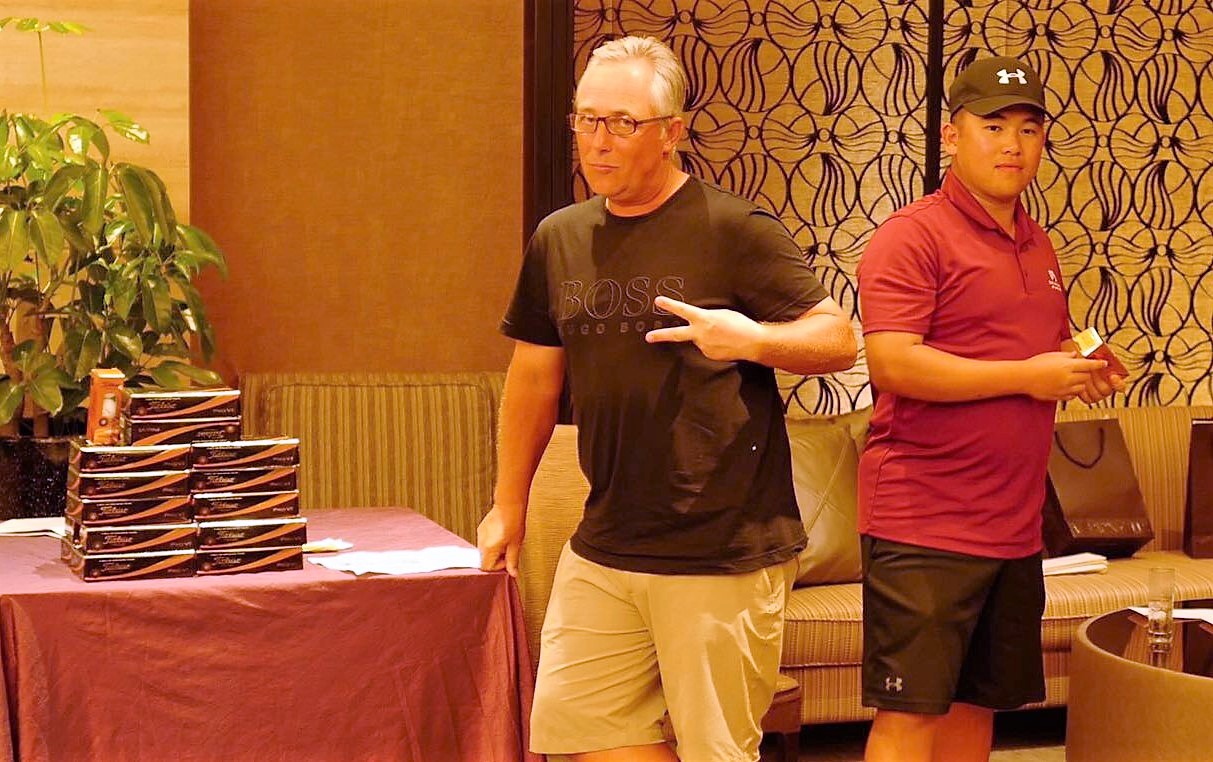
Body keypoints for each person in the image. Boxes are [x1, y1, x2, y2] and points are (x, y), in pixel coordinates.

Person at [477, 35, 856, 762]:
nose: (599, 141)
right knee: (577, 730)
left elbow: (837, 338)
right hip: (607, 537)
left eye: (623, 123)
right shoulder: (560, 238)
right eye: (587, 119)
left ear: (671, 132)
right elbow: (532, 379)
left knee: (717, 749)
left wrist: (752, 339)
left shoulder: (732, 229)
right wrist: (508, 503)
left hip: (722, 546)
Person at [855, 55, 1126, 762]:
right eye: (994, 126)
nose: (1013, 144)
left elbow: (1030, 346)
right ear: (952, 135)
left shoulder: (1038, 242)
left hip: (1013, 525)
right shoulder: (911, 234)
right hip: (924, 519)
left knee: (977, 706)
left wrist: (1077, 363)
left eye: (1029, 129)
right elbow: (892, 363)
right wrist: (1026, 377)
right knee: (910, 715)